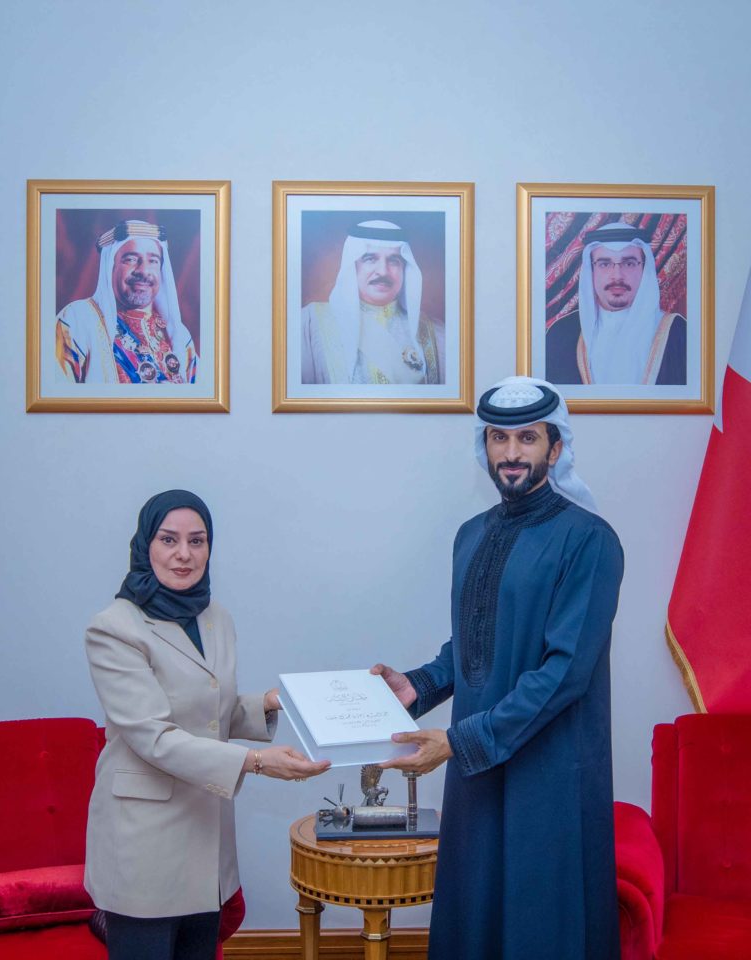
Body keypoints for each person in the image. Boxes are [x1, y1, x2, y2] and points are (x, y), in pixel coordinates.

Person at [372, 376, 624, 960]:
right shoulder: (471, 535)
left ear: (554, 448)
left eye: (527, 439)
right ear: (483, 446)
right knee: (475, 918)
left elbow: (565, 672)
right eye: (498, 439)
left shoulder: (590, 540)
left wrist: (463, 741)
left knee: (543, 921)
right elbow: (476, 642)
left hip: (550, 771)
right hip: (479, 770)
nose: (511, 453)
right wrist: (420, 685)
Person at [84, 490, 330, 960]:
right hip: (145, 843)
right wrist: (256, 762)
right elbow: (153, 735)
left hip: (206, 837)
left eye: (197, 541)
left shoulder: (215, 617)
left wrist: (273, 702)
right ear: (144, 545)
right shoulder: (114, 628)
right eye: (168, 539)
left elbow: (207, 710)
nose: (184, 554)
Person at [301, 219, 445, 384]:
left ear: (404, 269)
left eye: (394, 261)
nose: (383, 271)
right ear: (352, 266)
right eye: (370, 259)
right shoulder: (311, 325)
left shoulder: (435, 332)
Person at [56, 220, 199, 384]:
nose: (144, 270)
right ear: (110, 266)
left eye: (153, 261)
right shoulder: (77, 320)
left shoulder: (178, 335)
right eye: (131, 259)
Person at [546, 221, 686, 385]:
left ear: (644, 269)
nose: (617, 275)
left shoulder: (677, 333)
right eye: (605, 264)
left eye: (629, 263)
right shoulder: (561, 333)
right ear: (591, 271)